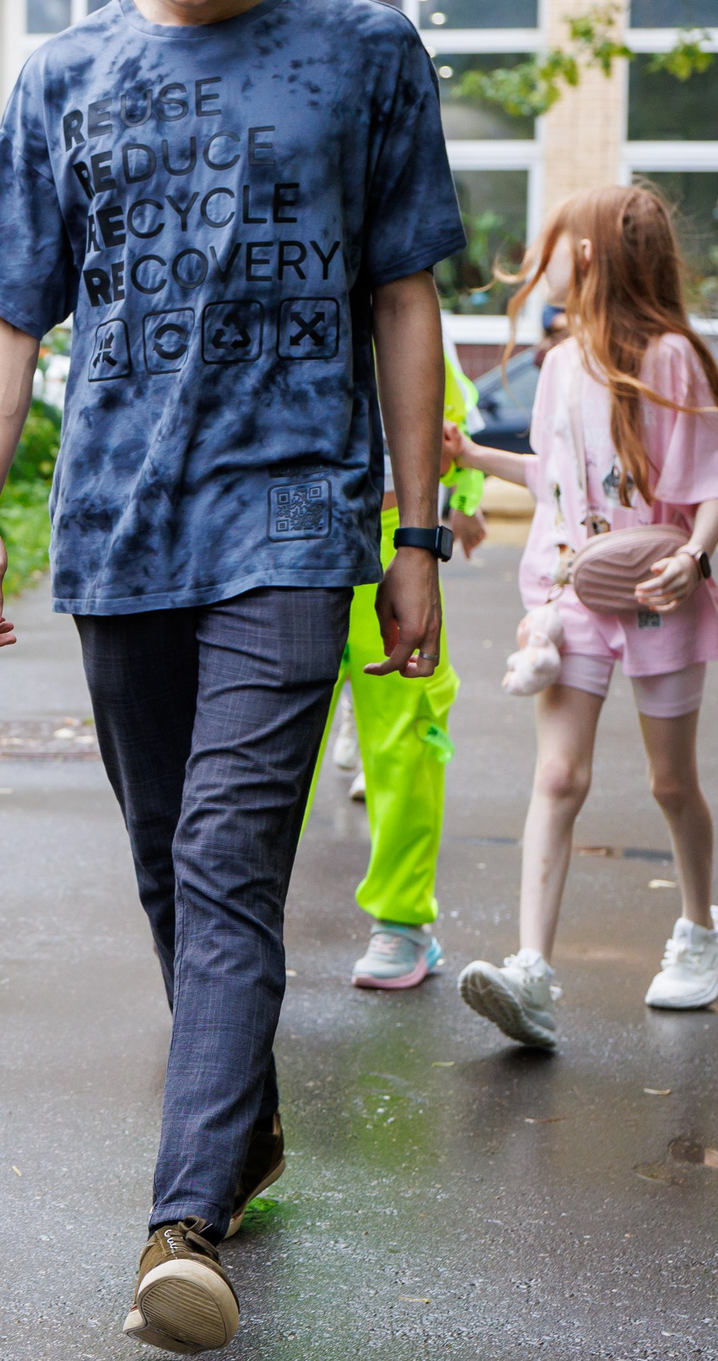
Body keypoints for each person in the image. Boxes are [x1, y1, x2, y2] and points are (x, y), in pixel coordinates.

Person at [0, 0, 467, 1353]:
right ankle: (240, 1122)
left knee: (235, 860)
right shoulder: (60, 80)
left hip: (297, 515)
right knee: (174, 863)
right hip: (117, 523)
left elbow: (404, 297)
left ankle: (184, 1223)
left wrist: (416, 526)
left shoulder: (367, 57)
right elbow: (11, 316)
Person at [450, 185, 718, 1049]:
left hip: (658, 585)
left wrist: (691, 560)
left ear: (588, 256)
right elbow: (554, 482)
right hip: (576, 595)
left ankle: (703, 934)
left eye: (556, 244)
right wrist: (473, 455)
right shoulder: (558, 365)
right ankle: (532, 973)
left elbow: (712, 483)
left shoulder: (670, 359)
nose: (542, 259)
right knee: (558, 777)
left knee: (671, 783)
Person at [325, 347, 488, 990]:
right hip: (280, 530)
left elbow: (451, 425)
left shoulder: (408, 305)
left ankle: (401, 922)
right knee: (264, 739)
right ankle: (237, 922)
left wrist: (458, 504)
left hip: (392, 526)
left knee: (406, 738)